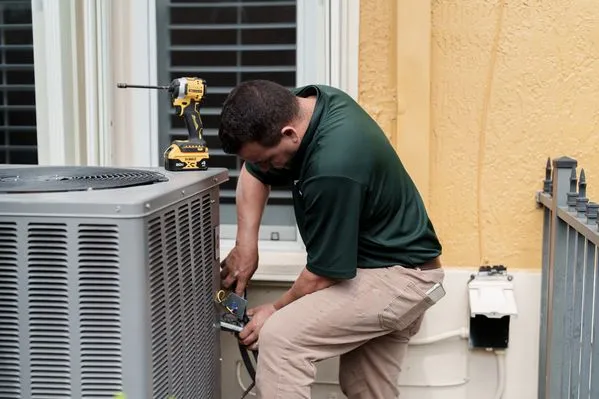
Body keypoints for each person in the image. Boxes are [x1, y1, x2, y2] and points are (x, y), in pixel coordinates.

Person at [218, 79, 445, 399]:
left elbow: (323, 272)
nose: (267, 168)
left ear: (289, 134)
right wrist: (246, 246)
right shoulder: (302, 106)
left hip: (397, 278)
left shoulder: (333, 165)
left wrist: (275, 309)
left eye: (269, 160)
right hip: (398, 268)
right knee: (365, 387)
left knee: (281, 341)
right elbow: (253, 173)